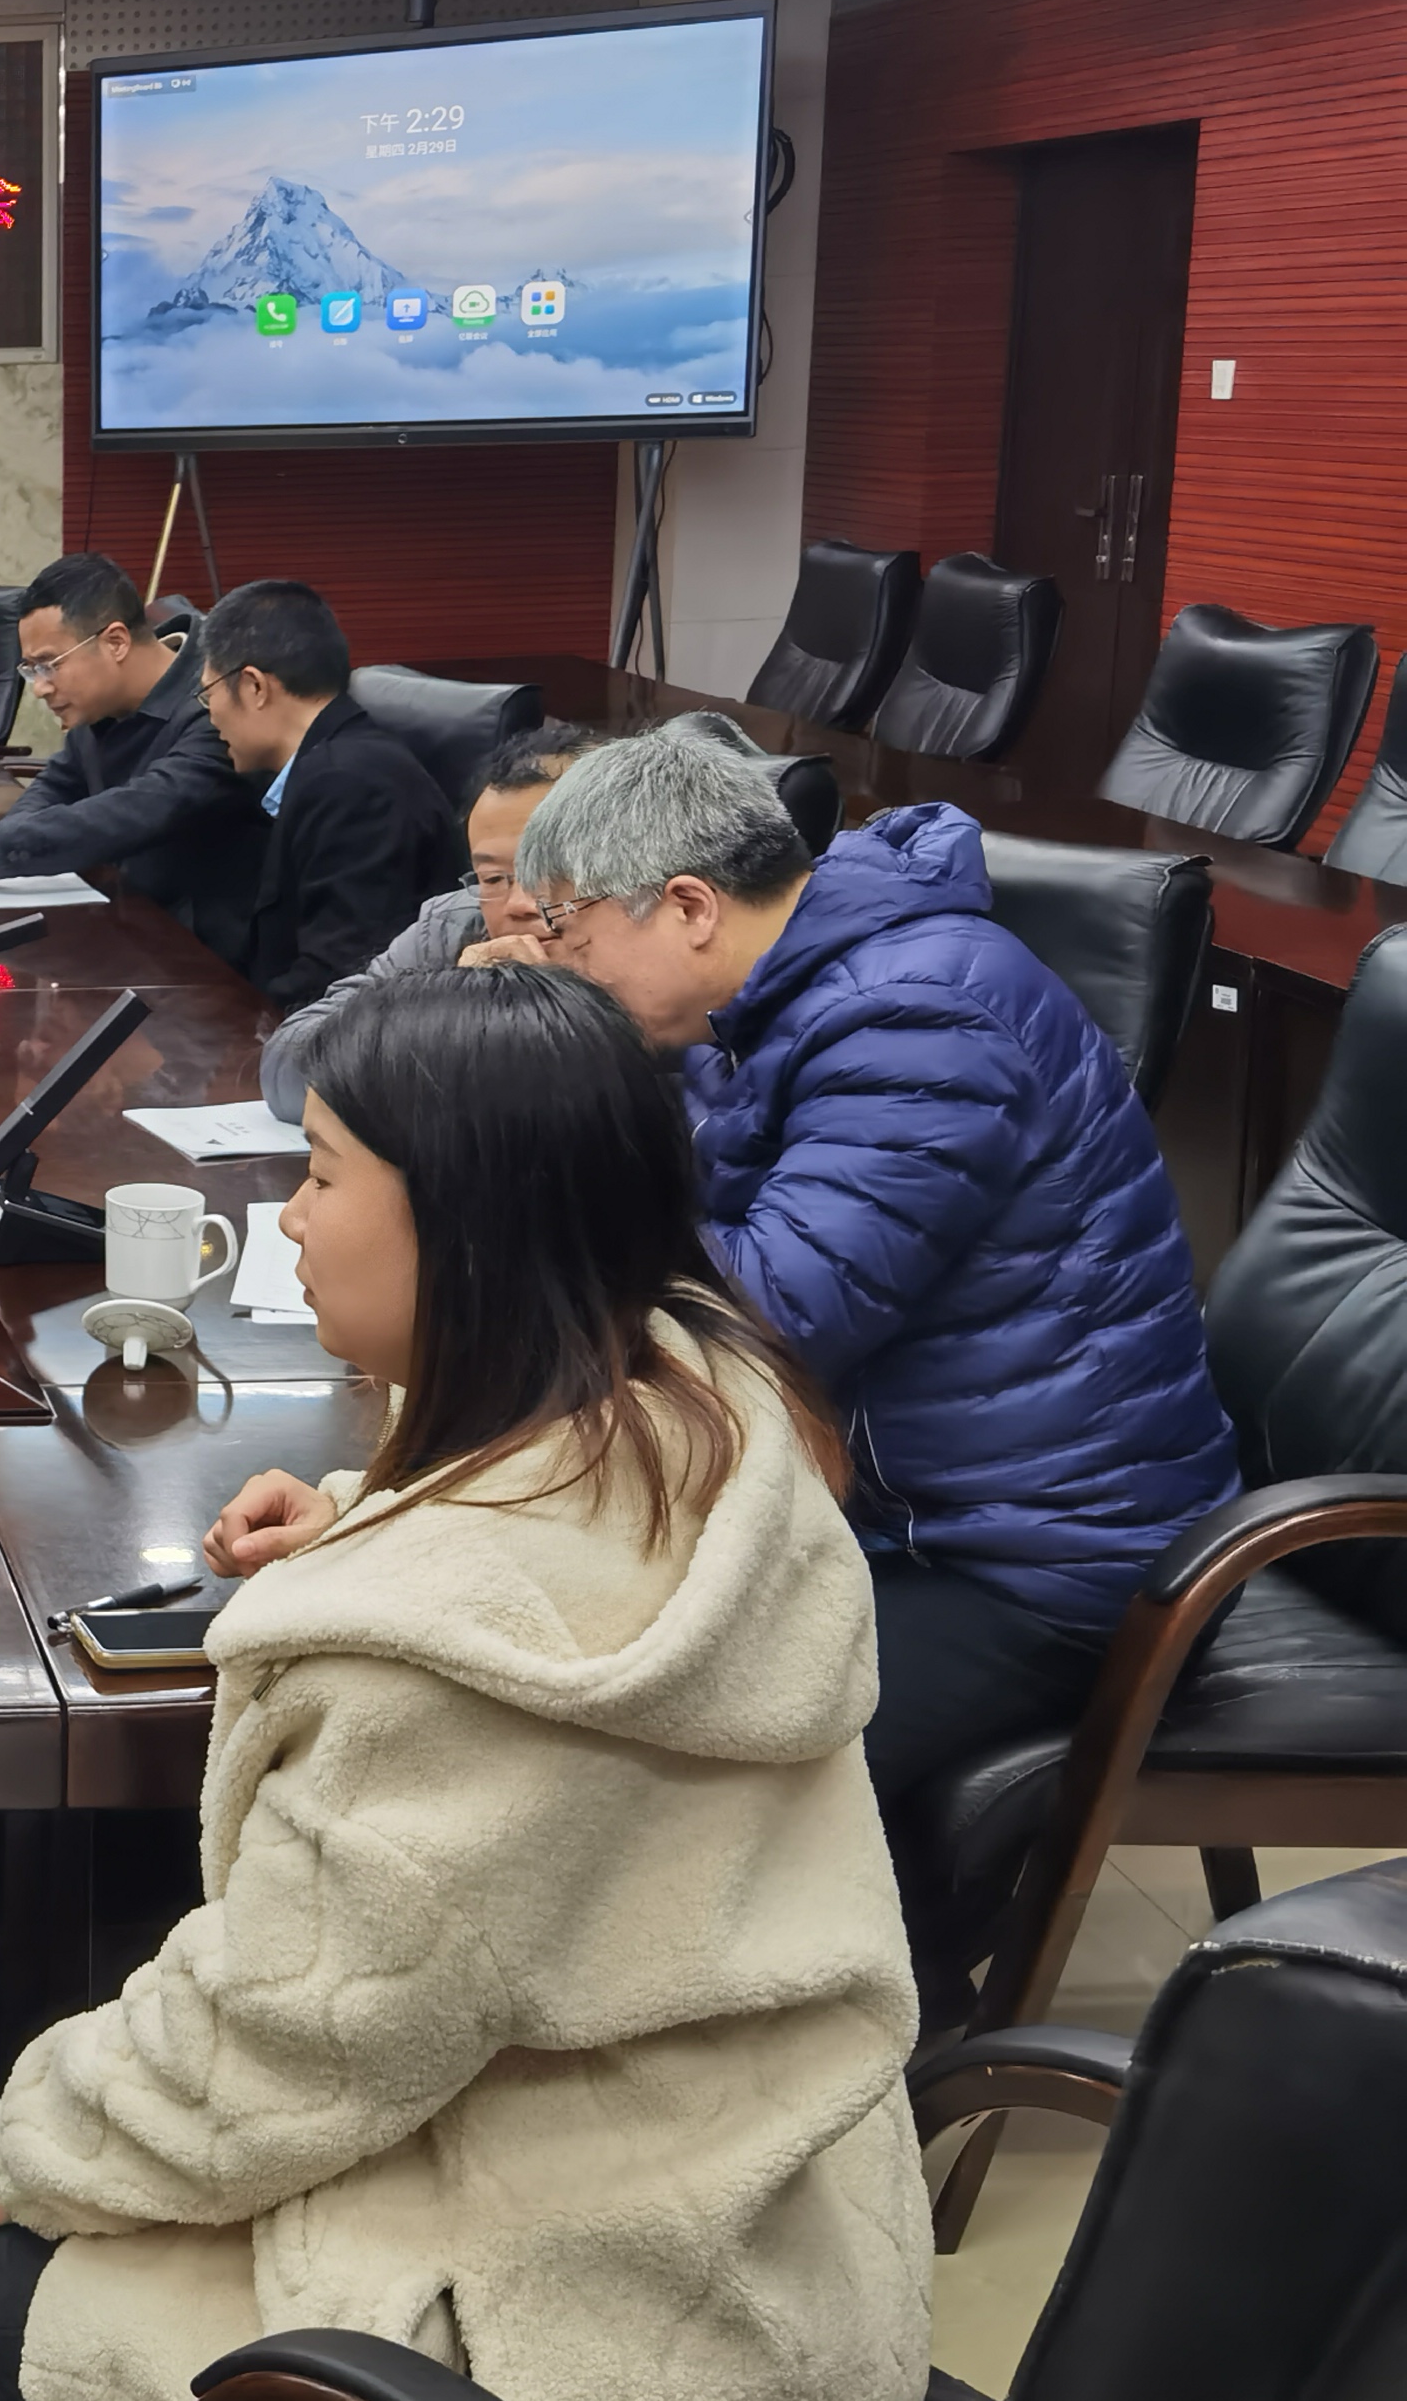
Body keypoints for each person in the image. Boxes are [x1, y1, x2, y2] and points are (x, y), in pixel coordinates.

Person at [0, 965, 930, 2401]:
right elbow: (539, 1569)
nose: (288, 1219)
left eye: (324, 1174)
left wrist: (35, 2149)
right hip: (759, 2230)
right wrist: (375, 1514)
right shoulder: (703, 1413)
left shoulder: (451, 1668)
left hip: (601, 2365)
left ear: (473, 1232)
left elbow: (299, 2037)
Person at [511, 732, 1237, 1988]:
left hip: (1041, 1558)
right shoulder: (776, 998)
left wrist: (568, 1129)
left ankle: (828, 2036)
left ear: (686, 906)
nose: (563, 965)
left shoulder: (918, 1013)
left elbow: (775, 1312)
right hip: (908, 1500)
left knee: (689, 1754)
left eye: (569, 932)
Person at [0, 554, 267, 967]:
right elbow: (58, 782)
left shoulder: (217, 702)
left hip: (204, 958)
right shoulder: (102, 700)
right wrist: (2, 846)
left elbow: (145, 805)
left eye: (49, 665)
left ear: (116, 642)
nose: (39, 688)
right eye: (31, 669)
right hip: (120, 926)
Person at [258, 718, 596, 1118]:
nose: (518, 904)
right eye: (492, 878)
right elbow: (286, 1067)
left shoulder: (648, 950)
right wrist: (449, 1015)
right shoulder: (454, 926)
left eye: (550, 871)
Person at [190, 579, 461, 1011]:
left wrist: (223, 1023)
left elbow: (341, 975)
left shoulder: (354, 786)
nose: (211, 718)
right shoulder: (331, 765)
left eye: (209, 695)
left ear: (254, 686)